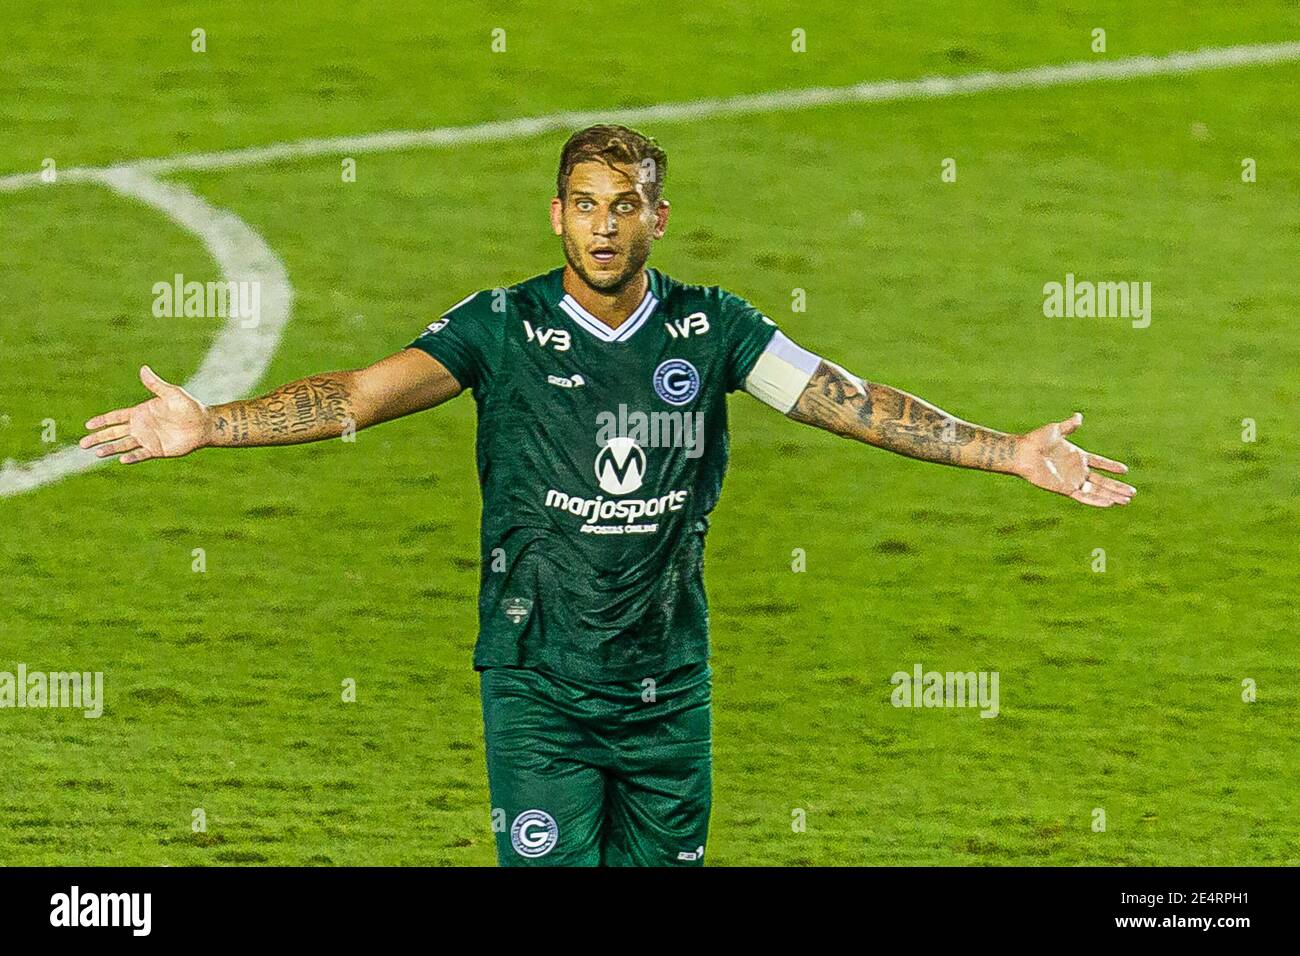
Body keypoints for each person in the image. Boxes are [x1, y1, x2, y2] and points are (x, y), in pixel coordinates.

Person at [80, 124, 1135, 866]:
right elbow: (359, 394)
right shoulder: (499, 324)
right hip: (537, 680)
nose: (602, 225)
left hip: (667, 684)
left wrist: (1007, 452)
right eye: (584, 204)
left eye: (623, 205)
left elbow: (843, 399)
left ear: (657, 218)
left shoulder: (713, 327)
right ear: (555, 215)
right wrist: (211, 423)